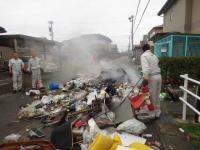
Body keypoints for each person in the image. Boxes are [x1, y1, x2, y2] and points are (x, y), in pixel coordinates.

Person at [140, 44, 162, 118]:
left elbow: (146, 69)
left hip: (152, 77)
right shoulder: (154, 55)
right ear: (149, 48)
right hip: (159, 76)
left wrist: (145, 79)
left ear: (143, 50)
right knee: (157, 95)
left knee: (152, 96)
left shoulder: (144, 56)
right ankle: (157, 112)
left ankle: (152, 114)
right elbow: (157, 64)